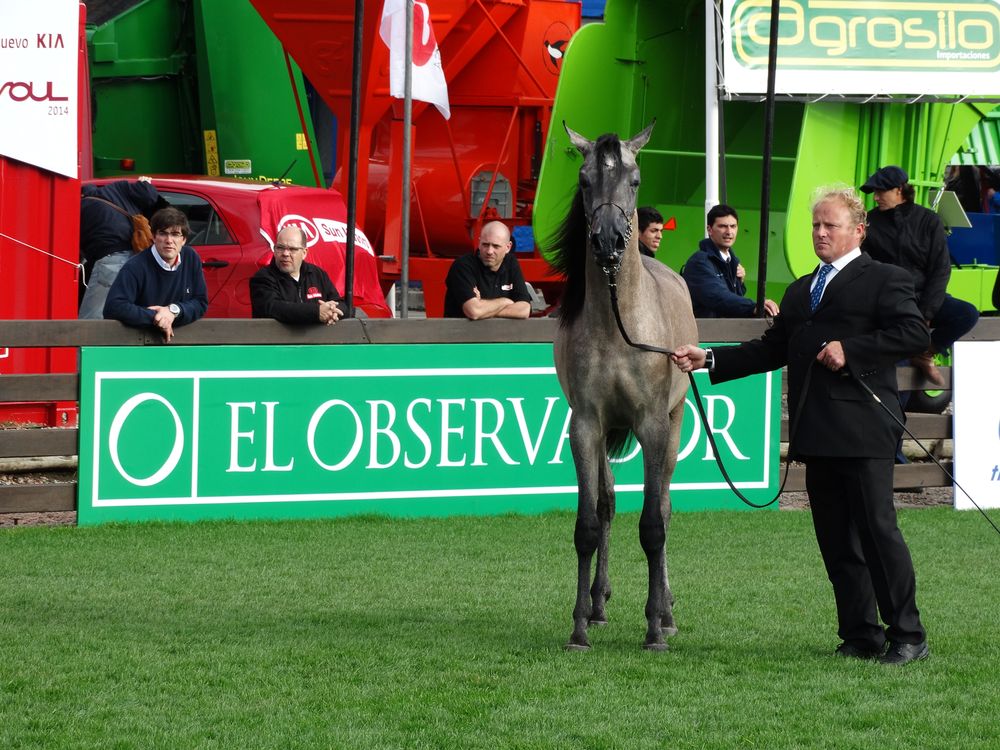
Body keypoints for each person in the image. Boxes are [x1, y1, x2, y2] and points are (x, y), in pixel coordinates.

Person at [672, 187, 930, 666]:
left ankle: (908, 635)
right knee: (836, 541)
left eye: (830, 225)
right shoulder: (799, 290)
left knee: (878, 533)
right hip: (818, 432)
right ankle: (860, 635)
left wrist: (851, 350)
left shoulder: (885, 279)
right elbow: (770, 350)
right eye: (815, 225)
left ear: (858, 231)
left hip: (865, 429)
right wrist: (708, 357)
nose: (820, 233)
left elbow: (913, 332)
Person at [860, 165, 979, 386]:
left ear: (899, 190)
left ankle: (925, 353)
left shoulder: (928, 221)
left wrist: (925, 314)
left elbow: (941, 270)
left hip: (924, 299)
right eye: (874, 192)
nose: (875, 198)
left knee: (967, 314)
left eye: (880, 192)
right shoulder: (869, 224)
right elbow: (865, 268)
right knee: (899, 377)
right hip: (891, 304)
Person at [104, 207, 208, 342]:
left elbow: (201, 302)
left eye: (175, 234)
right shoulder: (135, 266)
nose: (169, 240)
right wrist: (156, 317)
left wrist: (173, 311)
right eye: (163, 233)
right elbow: (114, 307)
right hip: (139, 343)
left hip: (180, 343)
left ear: (184, 240)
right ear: (153, 236)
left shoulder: (191, 257)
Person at [79, 176, 161, 319]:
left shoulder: (81, 207)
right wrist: (145, 183)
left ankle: (88, 342)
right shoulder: (118, 189)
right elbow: (150, 196)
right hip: (139, 258)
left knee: (91, 318)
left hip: (111, 261)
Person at [681, 204, 779, 318]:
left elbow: (732, 302)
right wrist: (753, 306)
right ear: (709, 230)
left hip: (727, 332)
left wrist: (740, 284)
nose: (729, 232)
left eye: (733, 226)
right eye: (723, 226)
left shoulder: (732, 262)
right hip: (707, 333)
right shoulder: (699, 262)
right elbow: (718, 297)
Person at [250, 226, 344, 325]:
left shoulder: (318, 274)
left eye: (292, 249)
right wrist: (316, 312)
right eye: (280, 248)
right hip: (277, 339)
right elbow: (274, 308)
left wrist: (333, 312)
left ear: (304, 253)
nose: (285, 253)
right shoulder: (262, 278)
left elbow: (341, 303)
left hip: (317, 339)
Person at [444, 221, 531, 319]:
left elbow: (524, 310)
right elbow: (474, 311)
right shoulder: (463, 266)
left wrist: (484, 309)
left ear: (508, 247)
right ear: (479, 242)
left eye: (496, 246)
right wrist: (505, 301)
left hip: (500, 333)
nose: (489, 251)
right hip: (462, 333)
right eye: (485, 245)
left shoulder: (510, 263)